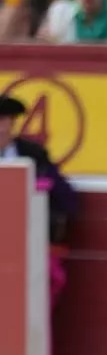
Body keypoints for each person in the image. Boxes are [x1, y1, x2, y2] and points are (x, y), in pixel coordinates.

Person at [0, 94, 79, 310]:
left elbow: (67, 200)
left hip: (27, 242)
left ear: (11, 124)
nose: (1, 129)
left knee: (46, 281)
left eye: (4, 121)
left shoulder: (34, 155)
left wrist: (43, 191)